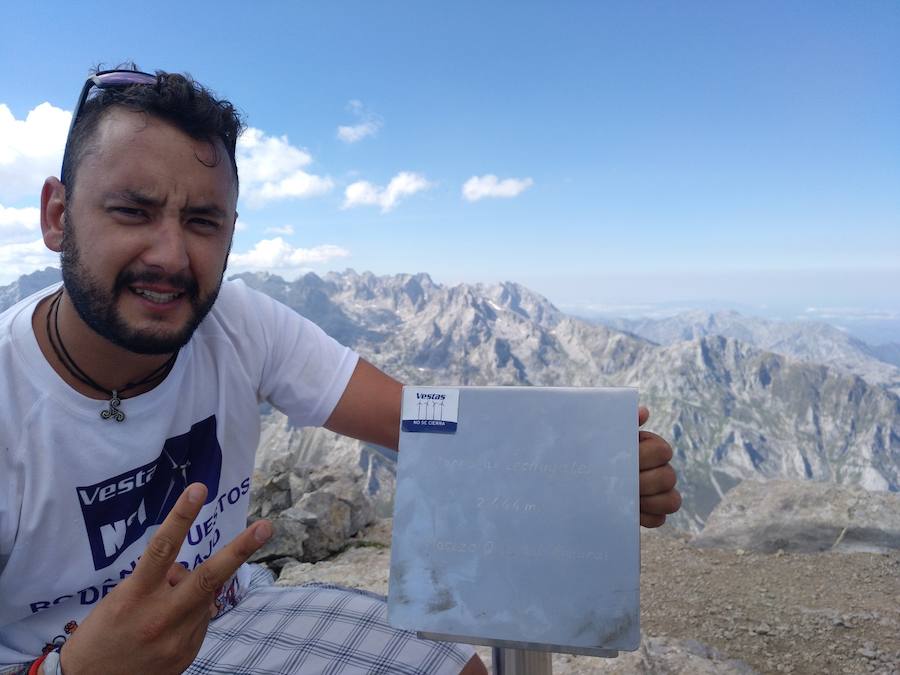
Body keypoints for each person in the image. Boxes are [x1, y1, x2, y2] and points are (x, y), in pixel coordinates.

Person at [0, 68, 681, 675]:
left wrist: (584, 465)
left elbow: (418, 421)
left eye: (203, 221)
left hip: (227, 617)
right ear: (58, 216)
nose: (171, 254)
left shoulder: (239, 323)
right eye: (132, 210)